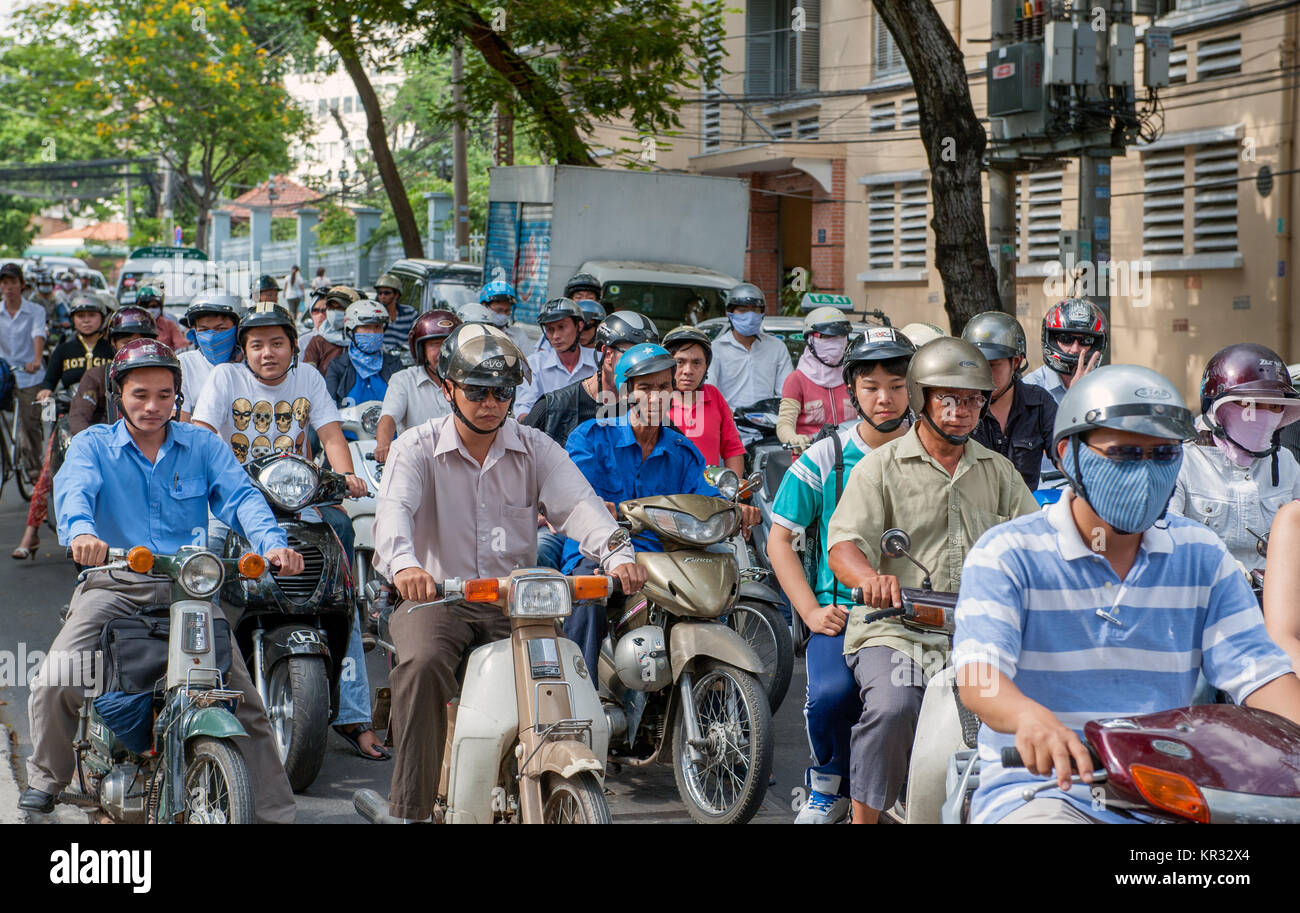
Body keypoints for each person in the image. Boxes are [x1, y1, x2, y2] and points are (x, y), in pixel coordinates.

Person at [953, 364, 1300, 824]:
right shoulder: (1007, 553)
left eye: (1163, 454)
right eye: (1125, 453)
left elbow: (1261, 675)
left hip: (1174, 794)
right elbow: (978, 678)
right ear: (1067, 454)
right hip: (1045, 793)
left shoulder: (1201, 555)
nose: (1146, 472)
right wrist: (1028, 718)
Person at [19, 338, 305, 820]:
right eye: (140, 395)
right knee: (56, 679)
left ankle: (276, 812)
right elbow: (74, 493)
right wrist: (82, 533)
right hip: (112, 584)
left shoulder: (202, 445)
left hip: (188, 591)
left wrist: (272, 543)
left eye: (165, 395)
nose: (153, 406)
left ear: (178, 396)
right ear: (118, 395)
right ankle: (48, 776)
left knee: (245, 701)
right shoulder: (94, 445)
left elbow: (242, 499)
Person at [372, 322, 647, 821]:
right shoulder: (415, 447)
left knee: (558, 671)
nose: (491, 402)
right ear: (447, 388)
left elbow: (581, 506)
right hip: (436, 597)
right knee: (423, 664)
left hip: (513, 604)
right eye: (477, 390)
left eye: (502, 391)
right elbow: (392, 516)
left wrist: (617, 553)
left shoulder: (535, 447)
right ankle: (409, 809)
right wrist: (406, 566)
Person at [826, 337, 1039, 824]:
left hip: (978, 634)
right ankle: (866, 819)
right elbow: (844, 547)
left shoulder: (999, 472)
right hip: (895, 629)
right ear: (922, 397)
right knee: (895, 707)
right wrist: (870, 579)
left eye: (972, 399)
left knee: (1035, 704)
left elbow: (1034, 543)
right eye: (948, 397)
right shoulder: (879, 468)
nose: (962, 410)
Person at [192, 304, 386, 760]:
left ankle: (355, 717)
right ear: (244, 350)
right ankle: (196, 695)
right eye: (256, 345)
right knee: (200, 579)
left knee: (339, 588)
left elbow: (333, 437)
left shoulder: (310, 381)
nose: (267, 353)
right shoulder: (225, 380)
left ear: (293, 347)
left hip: (296, 506)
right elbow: (201, 434)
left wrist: (345, 477)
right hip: (231, 506)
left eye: (277, 343)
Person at [767, 327, 916, 824]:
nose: (884, 397)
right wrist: (810, 610)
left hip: (922, 613)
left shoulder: (933, 451)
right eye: (870, 385)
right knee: (831, 696)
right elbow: (780, 539)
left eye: (897, 384)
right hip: (843, 614)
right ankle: (827, 783)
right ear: (851, 389)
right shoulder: (826, 457)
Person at [561, 343, 759, 675]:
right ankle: (582, 690)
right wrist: (600, 510)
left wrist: (736, 510)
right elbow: (578, 499)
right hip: (598, 555)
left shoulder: (683, 451)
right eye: (646, 388)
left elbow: (705, 500)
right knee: (586, 592)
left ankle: (714, 678)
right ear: (626, 393)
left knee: (715, 590)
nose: (657, 397)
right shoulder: (591, 438)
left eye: (664, 387)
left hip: (665, 562)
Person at [523, 311, 659, 569]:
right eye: (632, 355)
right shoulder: (554, 408)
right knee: (538, 551)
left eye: (648, 357)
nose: (642, 365)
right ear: (607, 355)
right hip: (564, 529)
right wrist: (539, 510)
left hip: (637, 529)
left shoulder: (654, 412)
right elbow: (514, 466)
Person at [1166, 343, 1300, 571]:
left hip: (1276, 598)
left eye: (1275, 406)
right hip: (1206, 597)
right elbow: (1166, 536)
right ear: (1216, 408)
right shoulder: (1180, 460)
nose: (1265, 415)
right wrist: (1220, 569)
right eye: (1251, 404)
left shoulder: (1285, 460)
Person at [11, 293, 114, 560]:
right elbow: (49, 380)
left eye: (91, 315)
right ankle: (30, 534)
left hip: (107, 420)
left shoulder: (111, 349)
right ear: (72, 320)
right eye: (81, 316)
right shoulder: (64, 350)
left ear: (102, 319)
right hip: (68, 419)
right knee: (49, 475)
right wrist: (45, 392)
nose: (86, 321)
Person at [963, 311, 1057, 490]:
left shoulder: (1039, 403)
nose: (983, 374)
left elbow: (1067, 455)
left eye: (992, 365)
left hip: (1025, 512)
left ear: (1016, 362)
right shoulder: (958, 408)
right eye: (976, 365)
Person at [373, 309, 459, 464]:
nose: (442, 352)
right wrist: (383, 444)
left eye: (448, 345)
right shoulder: (404, 380)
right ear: (421, 351)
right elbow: (389, 417)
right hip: (416, 463)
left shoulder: (469, 382)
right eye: (434, 345)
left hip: (460, 463)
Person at [662, 325, 745, 476]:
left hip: (707, 496)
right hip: (663, 495)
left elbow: (732, 449)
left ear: (706, 367)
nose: (688, 371)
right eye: (680, 362)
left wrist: (733, 492)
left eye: (696, 363)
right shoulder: (654, 399)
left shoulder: (714, 396)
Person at [67, 307, 157, 436]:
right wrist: (91, 446)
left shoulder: (161, 376)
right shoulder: (97, 376)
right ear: (113, 343)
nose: (134, 349)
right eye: (126, 343)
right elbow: (79, 416)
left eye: (141, 343)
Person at [777, 307, 855, 451]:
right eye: (826, 337)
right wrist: (793, 438)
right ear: (811, 340)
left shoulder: (852, 376)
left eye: (840, 336)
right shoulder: (797, 379)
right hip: (809, 459)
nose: (835, 342)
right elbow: (784, 424)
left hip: (849, 456)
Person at [705, 282, 792, 409]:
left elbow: (786, 393)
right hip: (729, 422)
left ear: (762, 313)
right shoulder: (716, 349)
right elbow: (710, 391)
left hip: (768, 422)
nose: (750, 316)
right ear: (729, 313)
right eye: (743, 310)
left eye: (755, 310)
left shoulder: (777, 347)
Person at [0, 261, 47, 481]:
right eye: (4, 283)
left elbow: (38, 334)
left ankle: (36, 470)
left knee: (30, 424)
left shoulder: (35, 310)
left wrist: (36, 359)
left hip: (30, 375)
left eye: (12, 282)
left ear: (22, 285)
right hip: (4, 375)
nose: (8, 287)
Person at [515, 298, 596, 418]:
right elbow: (524, 407)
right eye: (550, 329)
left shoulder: (600, 361)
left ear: (579, 326)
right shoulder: (534, 364)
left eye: (561, 327)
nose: (555, 336)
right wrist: (529, 426)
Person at [177, 292, 244, 423]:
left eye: (221, 329)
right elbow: (179, 423)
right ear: (194, 332)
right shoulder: (184, 364)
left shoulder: (251, 365)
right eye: (203, 330)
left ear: (238, 330)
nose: (212, 336)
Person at [325, 300, 404, 408]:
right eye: (366, 327)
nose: (372, 333)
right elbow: (328, 408)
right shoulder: (337, 366)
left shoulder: (394, 364)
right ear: (351, 330)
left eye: (377, 327)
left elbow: (404, 403)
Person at [301, 286, 357, 374]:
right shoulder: (317, 342)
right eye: (331, 308)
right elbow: (308, 376)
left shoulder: (361, 340)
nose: (334, 312)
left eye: (340, 308)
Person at [477, 279, 532, 354]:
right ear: (484, 306)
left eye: (507, 311)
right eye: (499, 310)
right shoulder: (474, 333)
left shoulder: (518, 335)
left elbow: (530, 361)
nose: (503, 315)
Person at [134, 284, 188, 352]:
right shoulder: (132, 326)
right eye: (145, 305)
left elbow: (181, 345)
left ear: (160, 307)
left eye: (154, 306)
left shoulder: (169, 325)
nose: (150, 309)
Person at [372, 273, 417, 352]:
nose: (382, 296)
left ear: (396, 295)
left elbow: (416, 339)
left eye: (386, 293)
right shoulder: (373, 314)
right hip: (382, 357)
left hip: (406, 359)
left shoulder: (410, 313)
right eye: (379, 293)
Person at [564, 273, 605, 349]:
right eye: (579, 297)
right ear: (570, 300)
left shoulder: (604, 327)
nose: (584, 301)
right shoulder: (559, 323)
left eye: (590, 297)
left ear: (598, 302)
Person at [297, 286, 331, 352]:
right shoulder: (303, 341)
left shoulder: (342, 341)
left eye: (325, 310)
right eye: (315, 310)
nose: (320, 315)